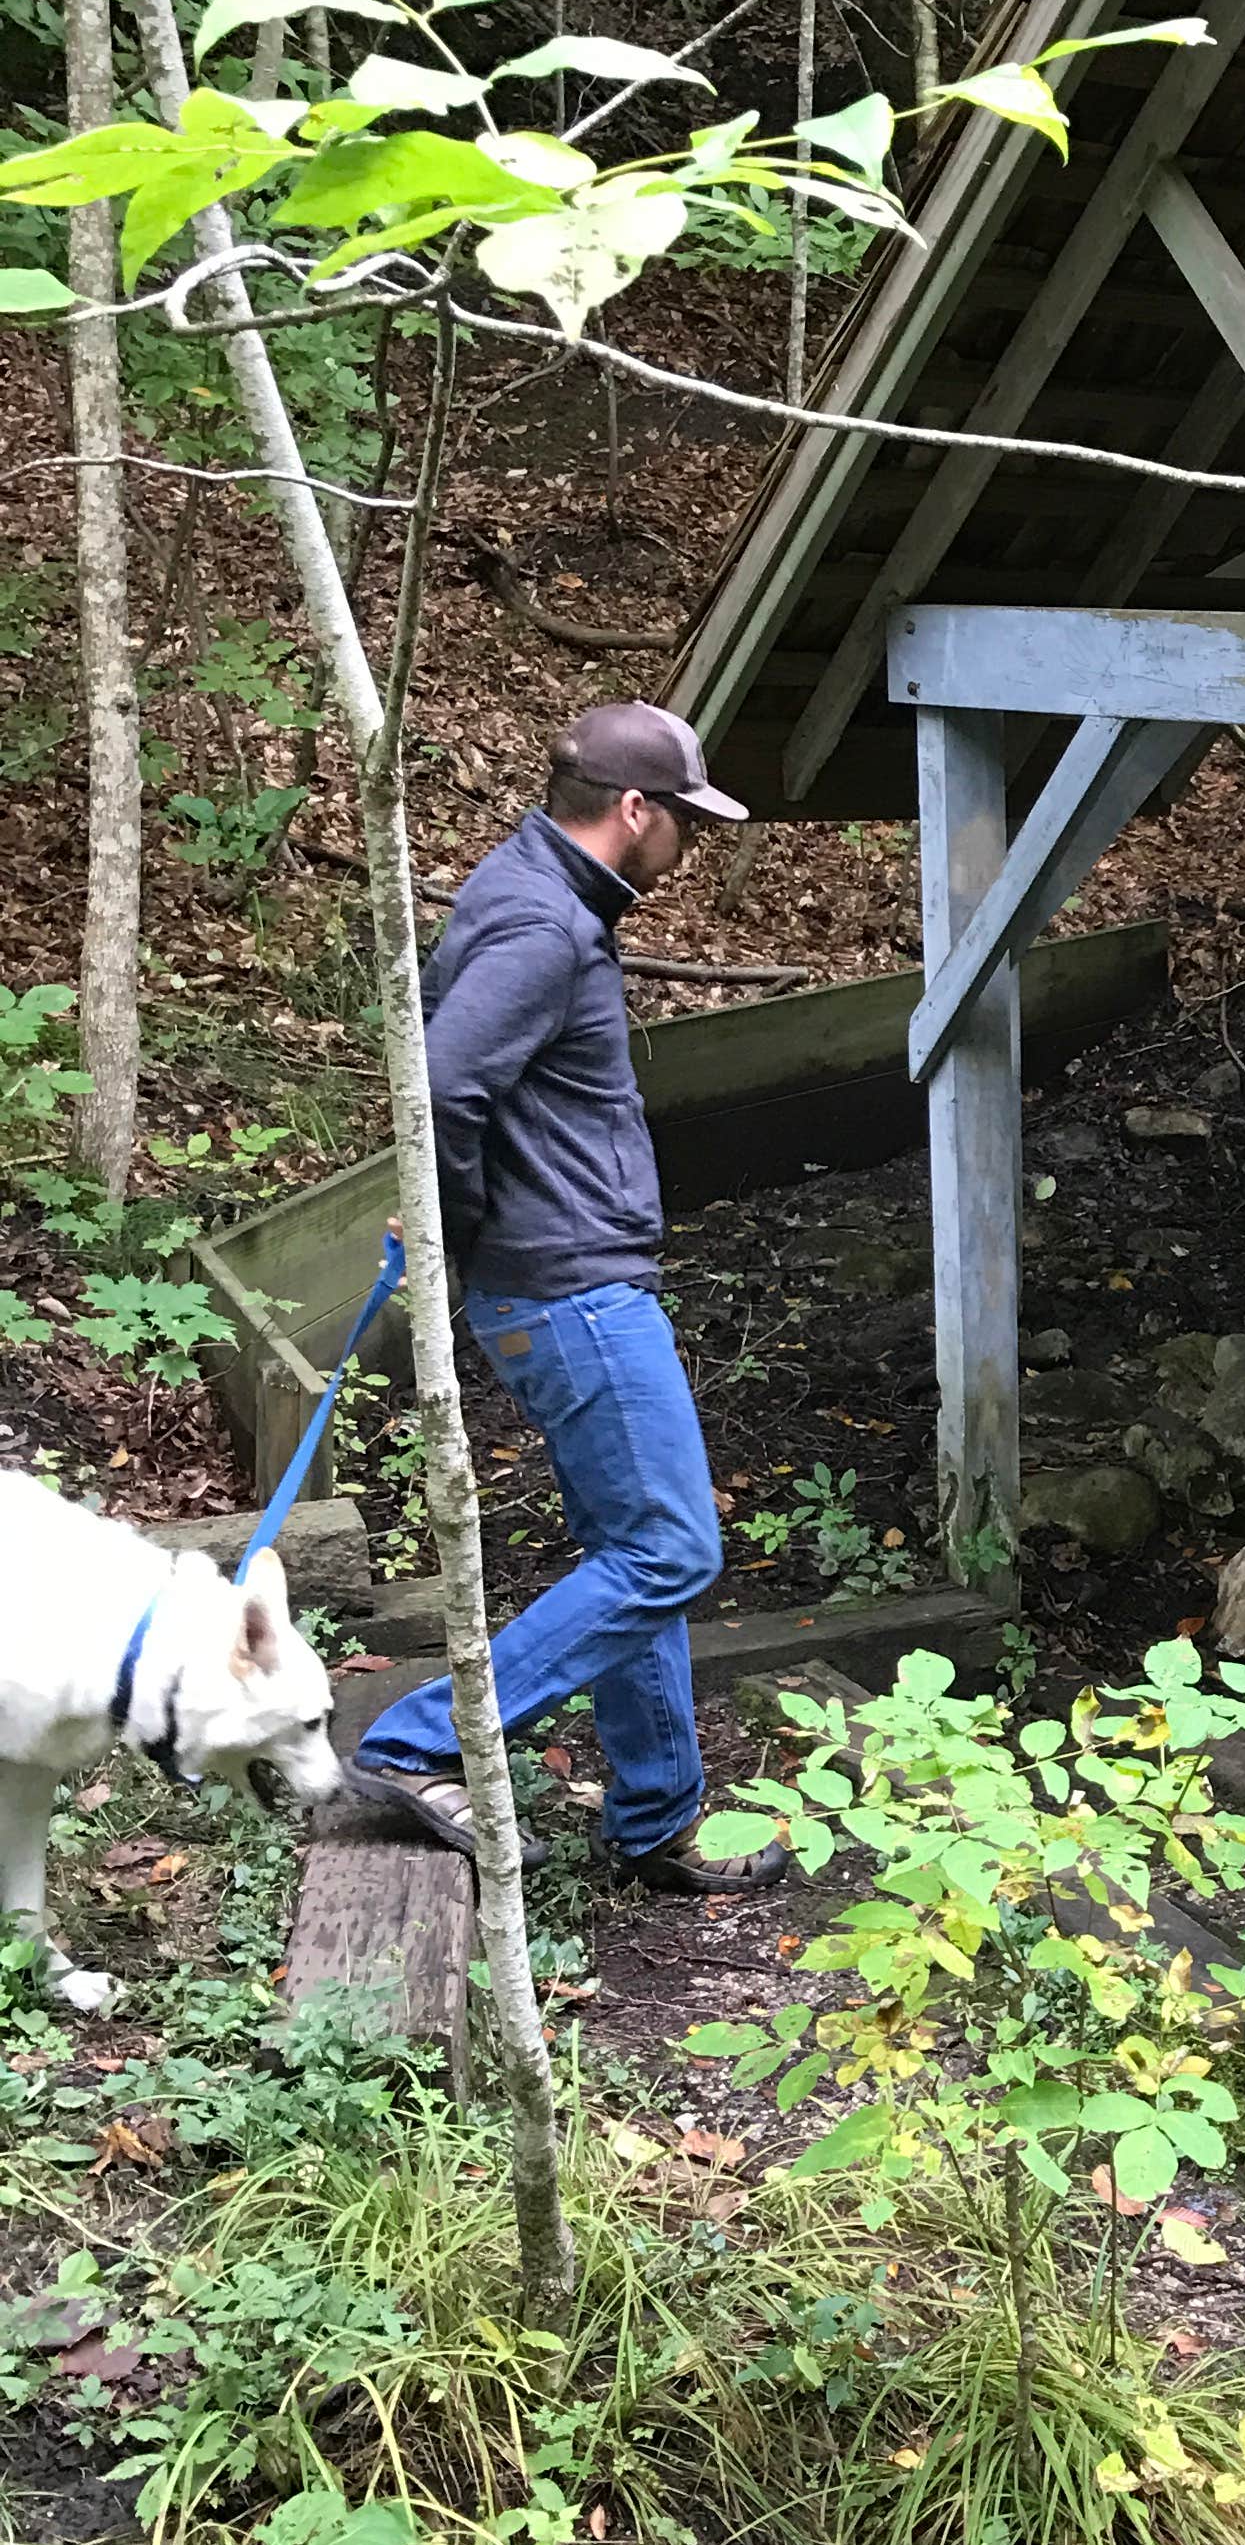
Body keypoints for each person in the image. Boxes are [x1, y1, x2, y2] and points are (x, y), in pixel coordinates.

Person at [346, 701, 789, 1899]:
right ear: (633, 810)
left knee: (631, 1545)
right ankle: (419, 1742)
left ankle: (654, 1820)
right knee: (673, 1552)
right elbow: (444, 1087)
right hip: (574, 1289)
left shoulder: (530, 891)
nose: (688, 848)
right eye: (682, 822)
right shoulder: (545, 926)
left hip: (558, 1281)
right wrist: (458, 1233)